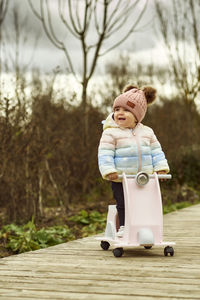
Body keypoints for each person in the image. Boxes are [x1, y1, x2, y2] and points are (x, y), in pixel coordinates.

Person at [98, 85, 169, 237]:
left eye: (126, 110)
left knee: (145, 203)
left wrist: (161, 168)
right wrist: (109, 171)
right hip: (121, 178)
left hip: (145, 178)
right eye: (116, 109)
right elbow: (105, 154)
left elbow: (156, 151)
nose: (119, 113)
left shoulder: (147, 132)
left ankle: (146, 227)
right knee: (123, 203)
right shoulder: (110, 133)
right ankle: (123, 226)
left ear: (138, 115)